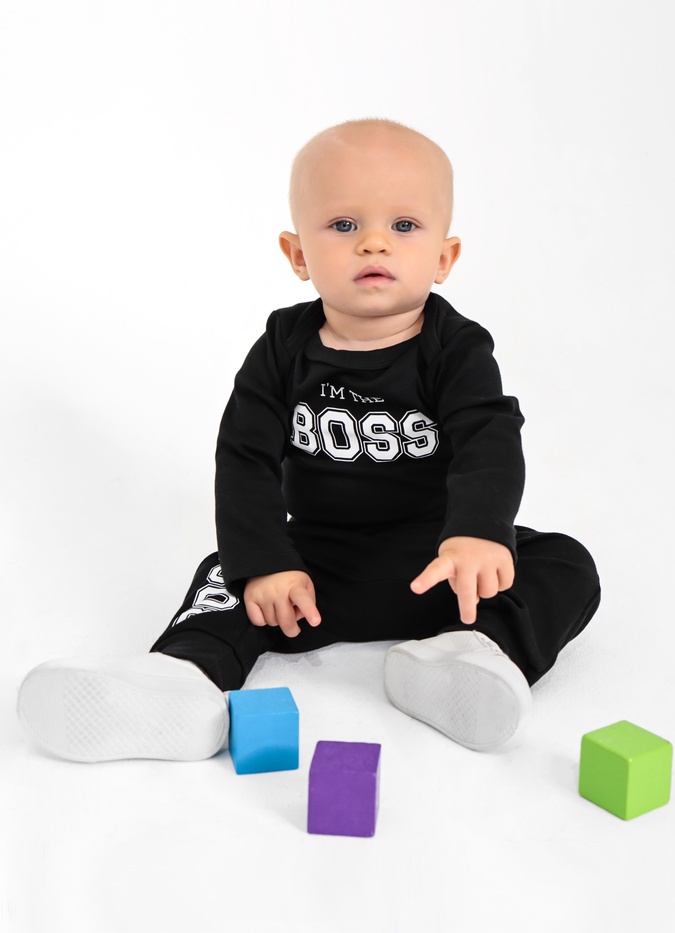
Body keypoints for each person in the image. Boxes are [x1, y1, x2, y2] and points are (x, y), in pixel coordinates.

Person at [17, 118, 601, 763]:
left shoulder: (454, 348)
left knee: (563, 562)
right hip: (314, 576)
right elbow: (244, 457)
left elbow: (488, 437)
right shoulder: (282, 348)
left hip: (439, 566)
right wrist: (266, 562)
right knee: (225, 574)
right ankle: (182, 681)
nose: (374, 242)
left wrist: (478, 533)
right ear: (298, 256)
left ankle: (475, 657)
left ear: (444, 257)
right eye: (344, 225)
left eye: (404, 225)